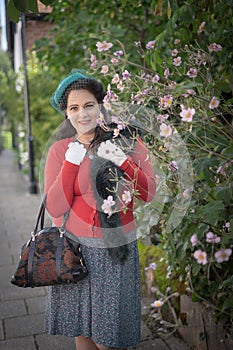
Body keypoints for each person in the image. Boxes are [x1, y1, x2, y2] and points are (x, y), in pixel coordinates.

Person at [44, 69, 156, 350]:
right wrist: (71, 162)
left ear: (101, 106)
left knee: (110, 336)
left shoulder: (126, 140)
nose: (82, 114)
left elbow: (148, 193)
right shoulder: (60, 150)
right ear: (67, 113)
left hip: (115, 249)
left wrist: (122, 160)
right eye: (74, 108)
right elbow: (55, 206)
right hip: (76, 249)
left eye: (89, 105)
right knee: (82, 328)